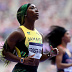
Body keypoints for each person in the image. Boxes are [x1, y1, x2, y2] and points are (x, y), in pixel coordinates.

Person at [1, 3, 59, 72]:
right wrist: (22, 60)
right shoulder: (18, 33)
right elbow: (5, 53)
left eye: (36, 8)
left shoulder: (40, 35)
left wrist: (50, 54)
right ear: (25, 14)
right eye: (32, 8)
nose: (36, 10)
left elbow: (38, 58)